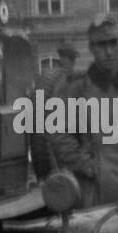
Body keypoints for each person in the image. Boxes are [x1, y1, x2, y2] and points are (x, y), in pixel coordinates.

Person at [47, 19, 118, 206]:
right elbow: (58, 133)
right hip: (96, 192)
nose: (109, 52)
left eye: (113, 43)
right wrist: (85, 164)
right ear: (91, 48)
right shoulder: (77, 89)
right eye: (101, 45)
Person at [29, 44, 79, 179]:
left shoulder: (47, 76)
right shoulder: (64, 79)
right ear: (70, 61)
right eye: (71, 61)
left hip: (38, 129)